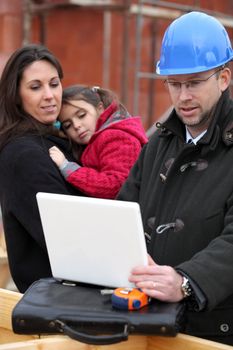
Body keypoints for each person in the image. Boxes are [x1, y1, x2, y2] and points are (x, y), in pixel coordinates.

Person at [117, 11, 233, 345]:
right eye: (174, 84)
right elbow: (127, 209)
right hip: (150, 320)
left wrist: (185, 281)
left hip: (215, 330)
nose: (183, 97)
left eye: (194, 83)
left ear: (223, 78)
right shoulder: (159, 142)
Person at [0, 44, 83, 293]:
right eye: (35, 87)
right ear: (16, 95)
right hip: (59, 303)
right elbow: (67, 238)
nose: (49, 95)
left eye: (54, 83)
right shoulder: (24, 155)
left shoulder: (56, 139)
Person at [49, 85, 148, 199]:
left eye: (81, 115)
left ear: (100, 108)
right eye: (68, 125)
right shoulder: (98, 138)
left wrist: (68, 168)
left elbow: (116, 187)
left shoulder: (117, 137)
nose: (76, 126)